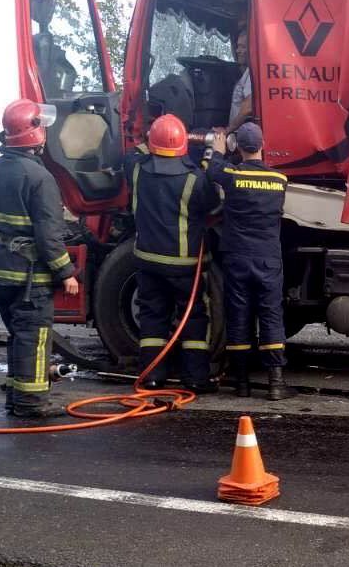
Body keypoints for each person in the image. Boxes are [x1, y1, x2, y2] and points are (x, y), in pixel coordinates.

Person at [0, 98, 79, 418]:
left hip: (2, 266)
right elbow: (49, 236)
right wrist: (67, 273)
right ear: (34, 134)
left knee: (18, 334)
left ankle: (15, 395)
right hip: (29, 273)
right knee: (34, 337)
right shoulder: (40, 177)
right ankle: (31, 402)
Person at [125, 113, 220, 392]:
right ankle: (196, 378)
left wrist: (151, 139)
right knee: (193, 318)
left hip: (147, 261)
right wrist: (208, 152)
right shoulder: (194, 179)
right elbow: (213, 206)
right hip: (185, 265)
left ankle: (153, 376)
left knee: (153, 316)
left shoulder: (136, 170)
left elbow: (133, 153)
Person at [206, 121, 294, 400]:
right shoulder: (279, 180)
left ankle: (241, 383)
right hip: (268, 259)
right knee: (270, 316)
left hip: (237, 258)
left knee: (239, 317)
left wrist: (217, 150)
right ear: (263, 146)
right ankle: (276, 384)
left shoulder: (232, 174)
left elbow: (212, 171)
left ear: (238, 148)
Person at [227, 27, 252, 133]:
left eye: (242, 47)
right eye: (237, 47)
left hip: (240, 136)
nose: (238, 51)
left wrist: (227, 130)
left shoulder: (252, 74)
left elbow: (247, 108)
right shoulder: (246, 73)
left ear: (251, 48)